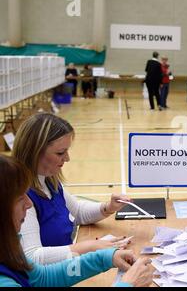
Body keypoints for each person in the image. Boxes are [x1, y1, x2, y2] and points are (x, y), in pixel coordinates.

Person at [0, 155, 153, 287]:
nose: (28, 203)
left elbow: (43, 278)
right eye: (20, 198)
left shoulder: (7, 247)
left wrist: (105, 258)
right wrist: (127, 283)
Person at [12, 113, 132, 265]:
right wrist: (91, 247)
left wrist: (108, 207)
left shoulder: (49, 181)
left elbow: (78, 212)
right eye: (60, 153)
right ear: (35, 151)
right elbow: (33, 257)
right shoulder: (20, 196)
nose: (67, 158)